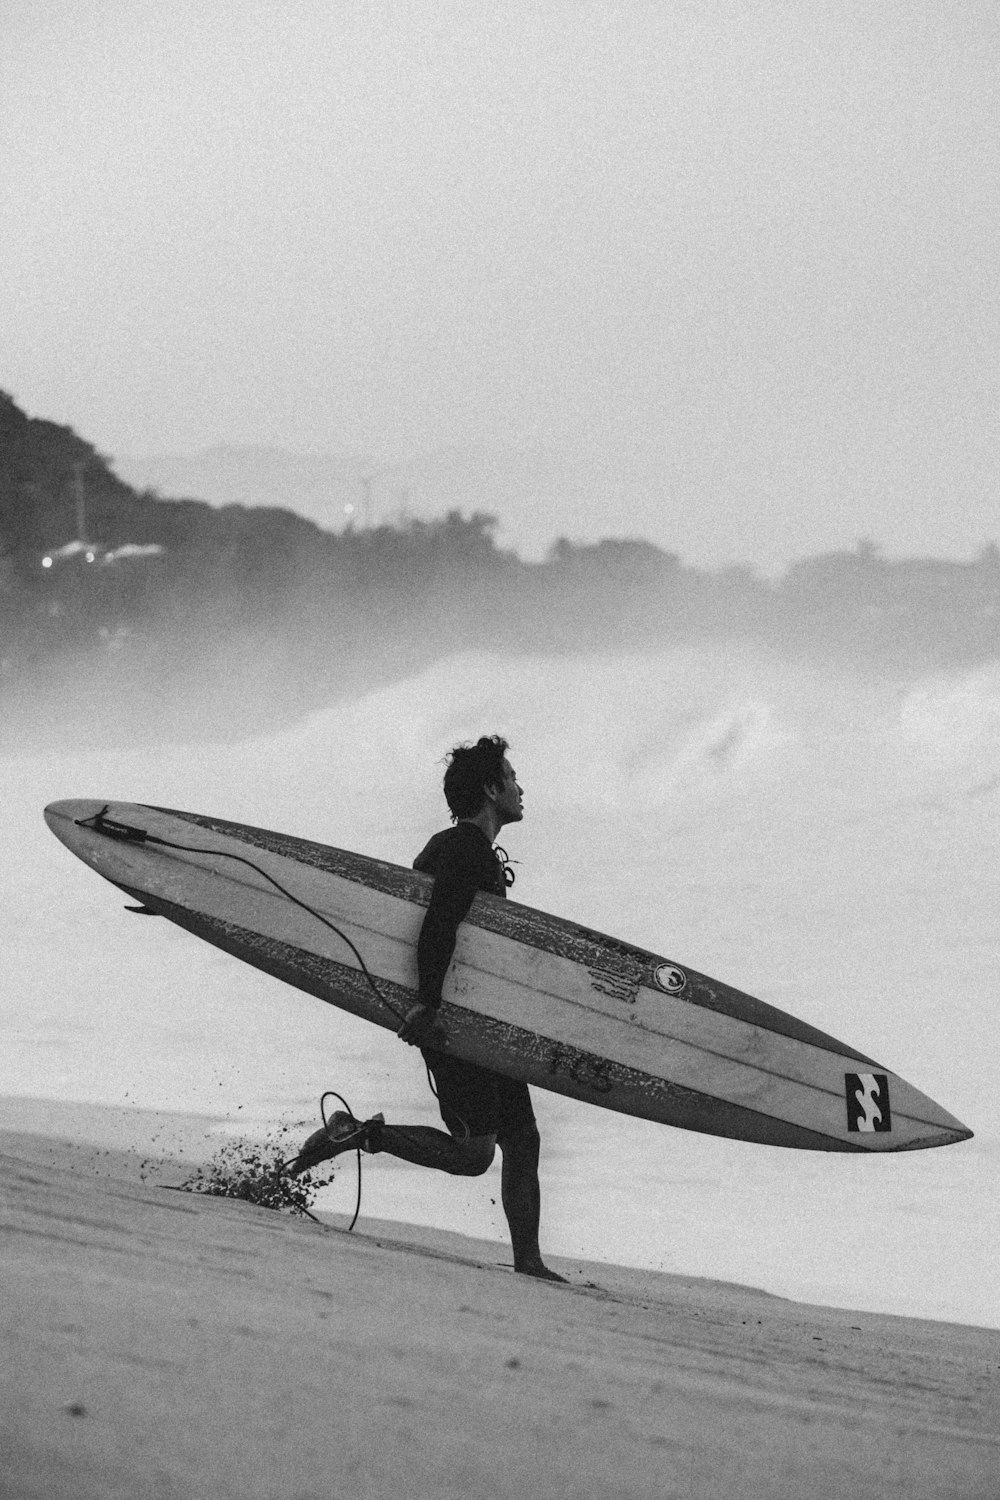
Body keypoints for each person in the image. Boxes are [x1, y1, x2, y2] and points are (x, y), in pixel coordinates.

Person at [291, 735, 565, 1282]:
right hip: (452, 1019)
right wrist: (427, 1006)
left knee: (523, 1138)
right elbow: (438, 925)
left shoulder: (463, 849)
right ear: (491, 789)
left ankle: (529, 1261)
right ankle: (356, 1132)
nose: (520, 786)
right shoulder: (463, 850)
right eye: (511, 776)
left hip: (480, 1019)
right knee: (472, 1156)